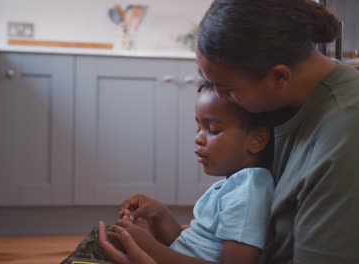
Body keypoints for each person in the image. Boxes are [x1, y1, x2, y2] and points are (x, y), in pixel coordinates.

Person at [112, 0, 359, 263]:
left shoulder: (352, 137)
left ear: (278, 76)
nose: (219, 99)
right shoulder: (280, 103)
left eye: (227, 89)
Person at [64, 84, 276, 264]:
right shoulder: (232, 185)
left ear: (256, 139)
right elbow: (189, 246)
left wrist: (149, 248)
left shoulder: (250, 188)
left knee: (97, 249)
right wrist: (160, 214)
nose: (199, 139)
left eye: (213, 130)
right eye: (198, 129)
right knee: (104, 239)